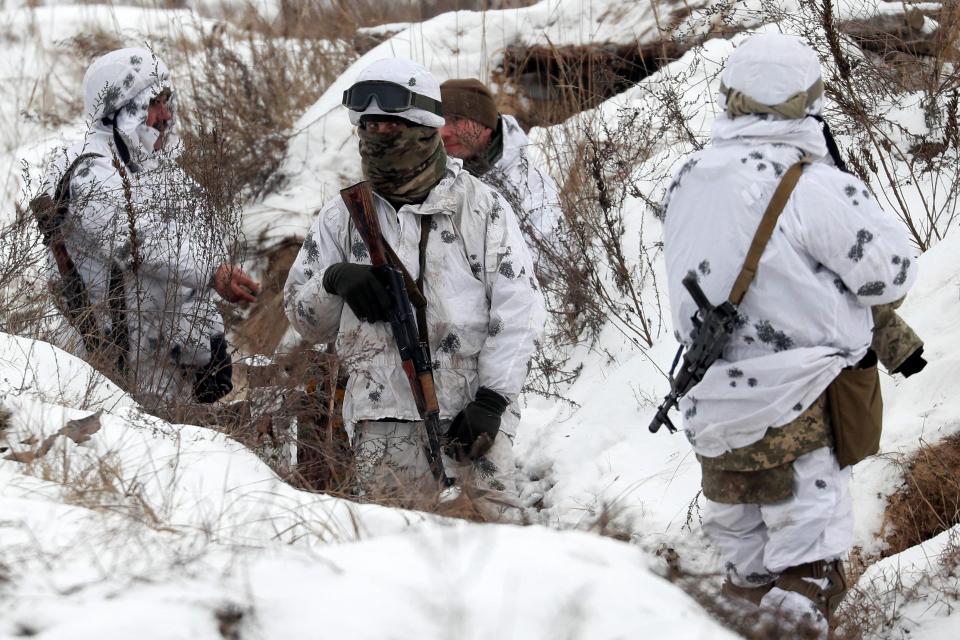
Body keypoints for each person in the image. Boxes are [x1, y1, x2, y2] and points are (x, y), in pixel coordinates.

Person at [660, 34, 922, 636]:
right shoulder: (813, 184)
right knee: (808, 573)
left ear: (730, 98)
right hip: (802, 403)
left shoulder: (688, 176)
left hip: (713, 406)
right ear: (810, 100)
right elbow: (890, 273)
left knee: (743, 581)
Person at [283, 59, 545, 508]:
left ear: (425, 128)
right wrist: (333, 281)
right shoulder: (342, 218)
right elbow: (303, 320)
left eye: (392, 127)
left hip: (472, 422)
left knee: (500, 561)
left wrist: (493, 400)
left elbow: (520, 309)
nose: (378, 138)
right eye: (369, 127)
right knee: (396, 563)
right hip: (381, 423)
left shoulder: (481, 209)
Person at [37, 47, 258, 408]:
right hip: (101, 374)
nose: (166, 114)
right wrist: (212, 272)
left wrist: (207, 342)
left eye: (168, 101)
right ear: (124, 107)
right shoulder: (87, 168)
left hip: (165, 369)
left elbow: (196, 259)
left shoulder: (160, 171)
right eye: (156, 102)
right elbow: (137, 246)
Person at [439, 78, 561, 262]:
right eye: (438, 120)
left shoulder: (531, 186)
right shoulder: (421, 177)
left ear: (486, 125)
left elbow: (549, 262)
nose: (443, 132)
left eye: (456, 120)